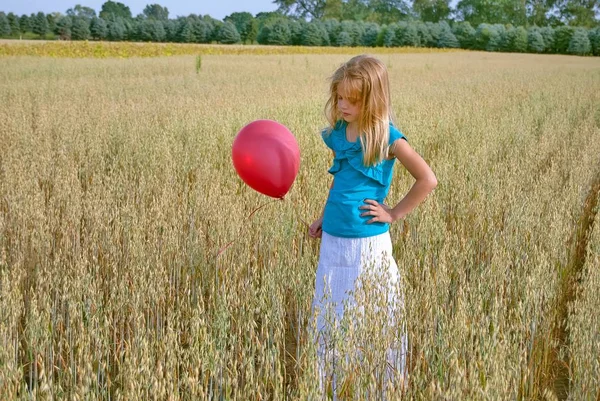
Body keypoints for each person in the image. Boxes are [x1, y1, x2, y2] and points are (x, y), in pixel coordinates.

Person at [308, 54, 437, 398]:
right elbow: (339, 182)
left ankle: (378, 387)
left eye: (352, 99)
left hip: (368, 245)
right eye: (339, 97)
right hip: (334, 240)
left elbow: (427, 179)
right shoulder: (339, 133)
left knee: (371, 314)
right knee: (333, 312)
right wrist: (325, 216)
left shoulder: (388, 138)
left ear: (373, 99)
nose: (343, 105)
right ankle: (333, 386)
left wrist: (393, 213)